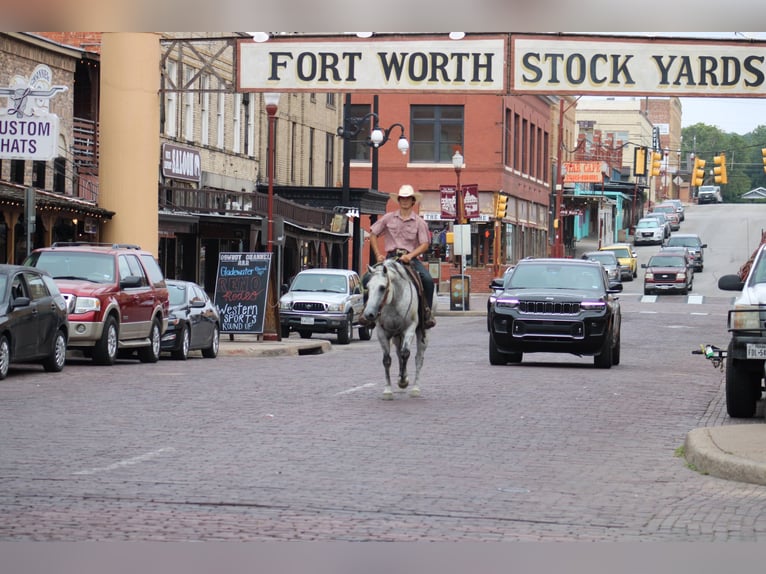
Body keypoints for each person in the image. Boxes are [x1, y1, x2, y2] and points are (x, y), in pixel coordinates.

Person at [367, 184, 436, 329]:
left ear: (412, 201)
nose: (404, 201)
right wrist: (378, 254)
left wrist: (410, 256)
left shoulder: (419, 222)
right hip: (390, 258)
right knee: (368, 279)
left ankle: (426, 313)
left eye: (407, 198)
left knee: (428, 280)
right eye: (402, 198)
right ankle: (367, 313)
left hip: (409, 259)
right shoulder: (388, 218)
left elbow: (424, 244)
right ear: (398, 200)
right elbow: (373, 234)